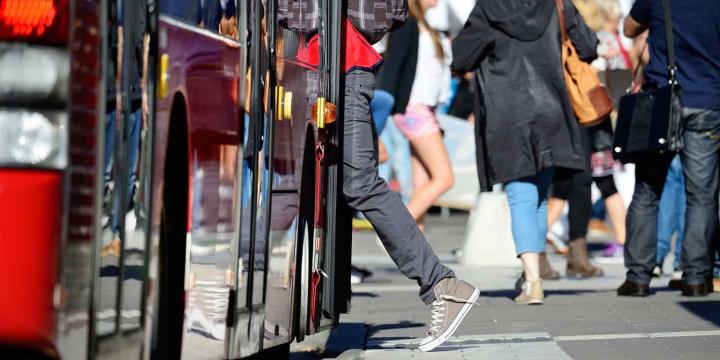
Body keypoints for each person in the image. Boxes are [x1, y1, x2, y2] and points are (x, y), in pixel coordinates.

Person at [330, 4, 478, 352]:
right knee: (319, 187)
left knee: (378, 182)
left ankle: (439, 281)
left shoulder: (419, 24)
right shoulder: (421, 25)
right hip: (352, 78)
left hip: (345, 70)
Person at [452, 0, 597, 305]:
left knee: (522, 194)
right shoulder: (557, 3)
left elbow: (461, 57)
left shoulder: (489, 7)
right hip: (552, 107)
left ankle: (533, 280)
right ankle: (532, 270)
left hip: (507, 110)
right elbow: (589, 45)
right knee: (539, 194)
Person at [619, 0, 720, 297]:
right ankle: (696, 277)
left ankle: (638, 277)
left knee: (647, 191)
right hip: (708, 101)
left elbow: (628, 28)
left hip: (662, 103)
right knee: (702, 194)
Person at [376, 0, 455, 230]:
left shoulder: (425, 26)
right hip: (414, 109)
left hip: (425, 109)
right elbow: (392, 69)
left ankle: (415, 252)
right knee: (444, 178)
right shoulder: (407, 24)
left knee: (422, 185)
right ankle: (396, 230)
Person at [654, 155, 684, 281]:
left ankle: (657, 259)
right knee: (689, 203)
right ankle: (681, 263)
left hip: (669, 145)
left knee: (667, 201)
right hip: (696, 143)